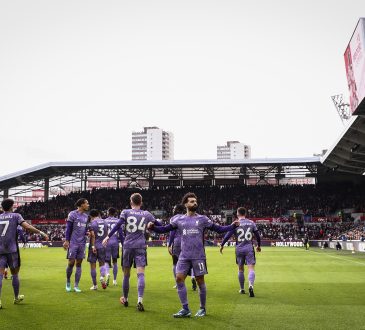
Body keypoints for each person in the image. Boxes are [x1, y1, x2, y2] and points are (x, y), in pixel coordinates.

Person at [148, 192, 239, 318]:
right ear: (185, 204)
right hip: (184, 256)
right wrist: (153, 228)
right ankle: (185, 309)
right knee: (179, 279)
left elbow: (218, 229)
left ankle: (202, 308)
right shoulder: (178, 219)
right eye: (191, 201)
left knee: (200, 281)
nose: (194, 203)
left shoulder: (203, 219)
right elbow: (165, 229)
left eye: (195, 201)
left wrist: (232, 226)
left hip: (198, 256)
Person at [103, 193, 160, 312]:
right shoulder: (146, 214)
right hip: (141, 246)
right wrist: (153, 225)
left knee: (126, 275)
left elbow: (118, 224)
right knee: (141, 274)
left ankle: (126, 298)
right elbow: (159, 225)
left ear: (131, 202)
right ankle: (140, 300)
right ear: (141, 202)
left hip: (128, 245)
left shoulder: (125, 212)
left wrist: (108, 236)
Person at [0, 198, 49, 309]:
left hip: (0, 250)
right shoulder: (16, 216)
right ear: (12, 206)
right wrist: (41, 232)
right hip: (12, 250)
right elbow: (27, 226)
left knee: (0, 275)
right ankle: (16, 298)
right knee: (15, 274)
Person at [220, 207, 261, 297]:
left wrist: (222, 245)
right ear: (245, 213)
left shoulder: (235, 223)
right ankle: (250, 285)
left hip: (239, 248)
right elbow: (257, 236)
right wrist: (259, 246)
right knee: (251, 268)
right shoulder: (251, 223)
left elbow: (228, 235)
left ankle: (242, 289)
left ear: (238, 214)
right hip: (249, 247)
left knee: (240, 269)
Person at [63, 198, 90, 293]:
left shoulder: (86, 217)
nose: (88, 205)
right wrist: (67, 240)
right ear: (82, 205)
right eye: (87, 203)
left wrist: (88, 233)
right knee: (71, 263)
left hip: (82, 243)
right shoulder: (72, 214)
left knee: (79, 263)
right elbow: (68, 228)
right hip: (73, 242)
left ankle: (76, 285)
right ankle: (68, 282)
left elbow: (85, 229)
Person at [168, 204, 197, 290]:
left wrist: (169, 244)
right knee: (191, 262)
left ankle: (178, 283)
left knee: (175, 263)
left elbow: (172, 232)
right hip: (188, 241)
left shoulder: (173, 219)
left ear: (176, 210)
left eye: (174, 208)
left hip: (177, 243)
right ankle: (192, 276)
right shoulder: (187, 217)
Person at [88, 209, 109, 290]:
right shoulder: (105, 222)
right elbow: (107, 234)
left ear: (91, 216)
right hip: (103, 246)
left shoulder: (92, 223)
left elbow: (93, 235)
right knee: (102, 264)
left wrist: (93, 246)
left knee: (93, 266)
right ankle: (102, 277)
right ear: (99, 214)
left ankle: (95, 285)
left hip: (94, 245)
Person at [104, 207, 122, 286]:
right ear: (115, 213)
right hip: (115, 242)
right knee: (115, 261)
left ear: (108, 213)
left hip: (107, 242)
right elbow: (120, 233)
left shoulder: (104, 221)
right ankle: (114, 280)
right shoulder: (118, 221)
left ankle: (107, 274)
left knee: (106, 261)